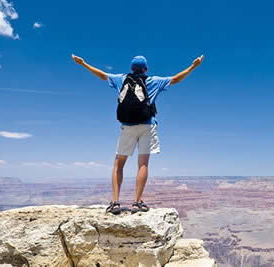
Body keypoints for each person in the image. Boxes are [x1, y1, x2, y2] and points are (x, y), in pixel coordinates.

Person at [72, 54, 203, 214]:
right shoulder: (153, 81)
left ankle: (115, 203)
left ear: (131, 69)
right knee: (143, 164)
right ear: (146, 69)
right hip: (147, 126)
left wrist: (83, 63)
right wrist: (193, 66)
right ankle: (137, 203)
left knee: (118, 164)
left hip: (127, 127)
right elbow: (176, 79)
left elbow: (102, 75)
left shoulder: (121, 79)